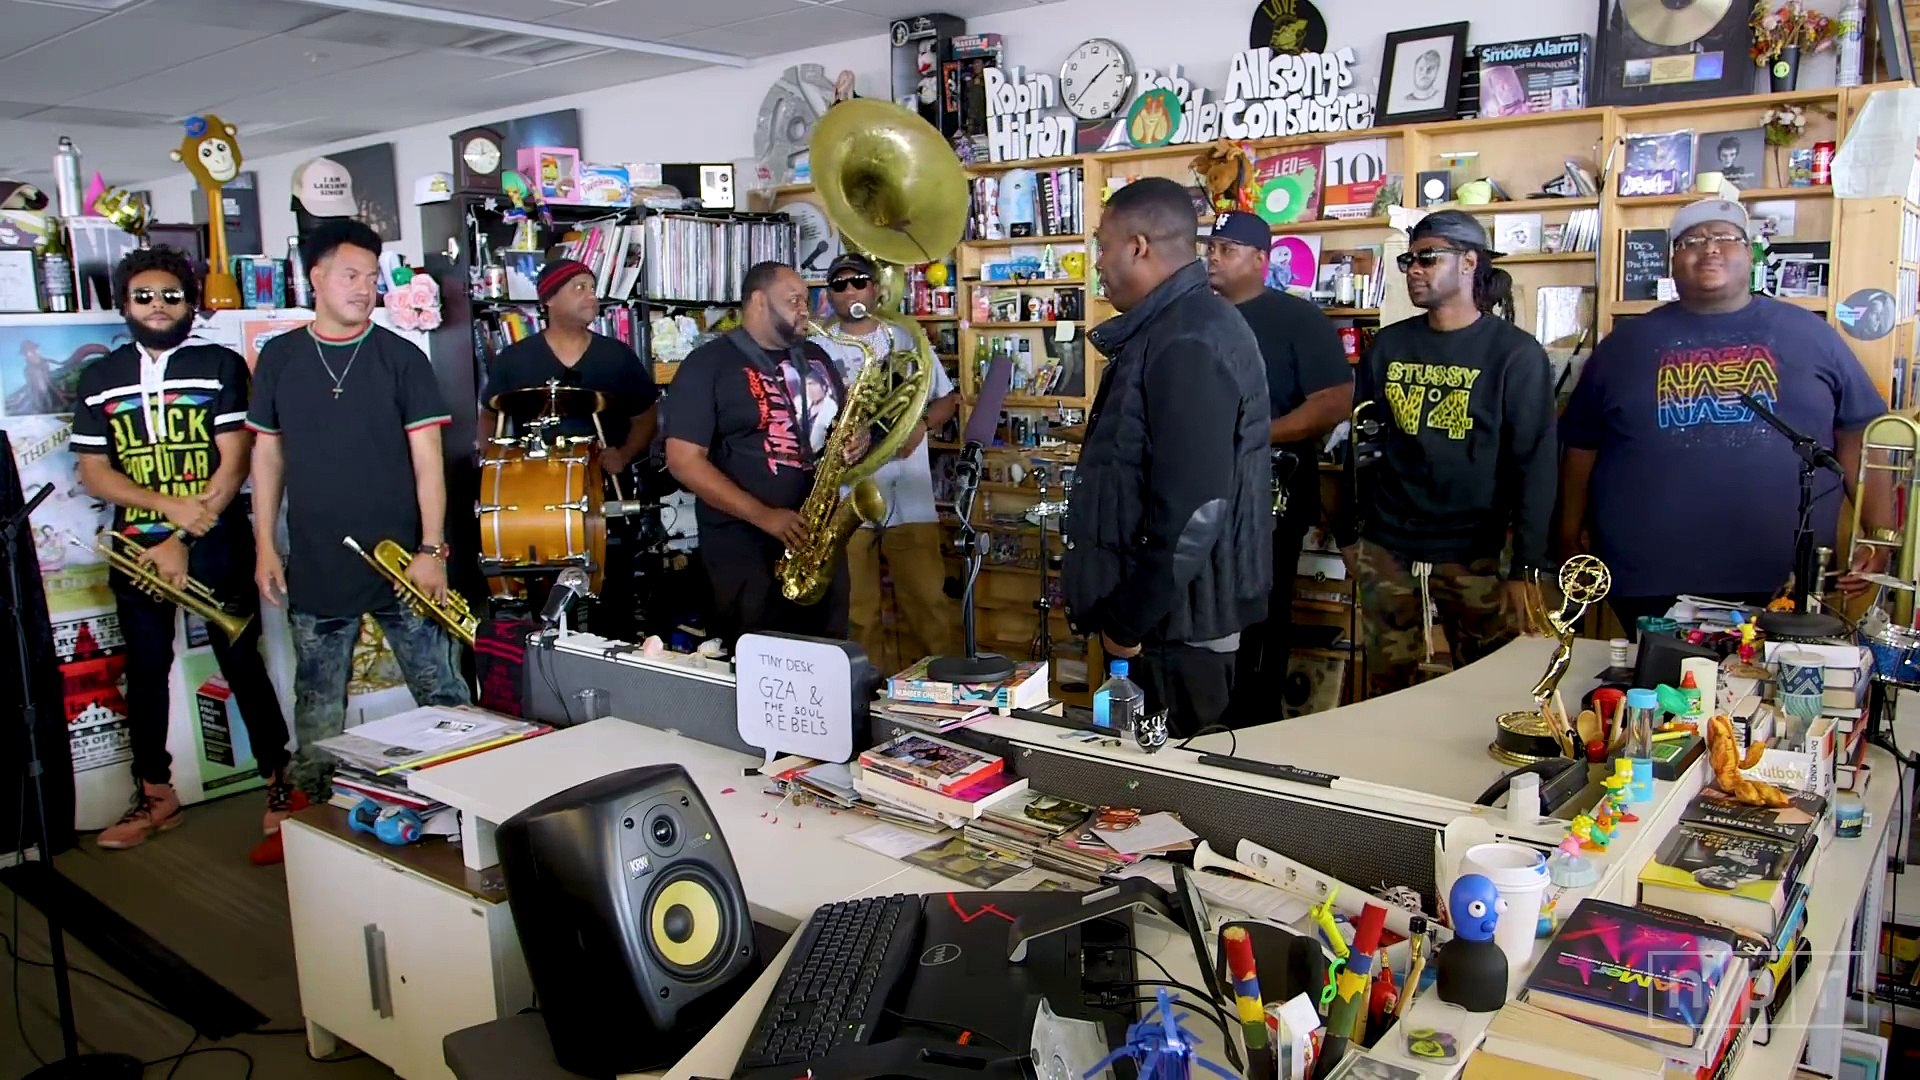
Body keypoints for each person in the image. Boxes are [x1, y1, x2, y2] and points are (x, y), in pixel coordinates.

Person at [1559, 199, 1888, 632]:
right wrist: (1567, 538)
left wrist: (1878, 534)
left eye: (1725, 238)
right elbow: (1580, 447)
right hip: (1649, 578)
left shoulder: (1810, 332)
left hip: (1786, 578)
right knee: (1661, 692)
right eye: (1692, 240)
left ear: (1749, 254)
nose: (1710, 248)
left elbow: (1859, 430)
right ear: (1672, 261)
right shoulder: (1624, 345)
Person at [71, 247, 294, 863]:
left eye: (171, 295)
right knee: (144, 672)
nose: (159, 306)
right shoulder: (99, 377)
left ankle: (280, 780)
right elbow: (94, 472)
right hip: (136, 547)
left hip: (216, 539)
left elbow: (235, 460)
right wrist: (166, 515)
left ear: (190, 302)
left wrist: (184, 537)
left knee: (241, 658)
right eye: (144, 296)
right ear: (123, 305)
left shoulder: (219, 363)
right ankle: (155, 794)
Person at [248, 219, 470, 823]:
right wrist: (265, 545)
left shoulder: (401, 358)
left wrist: (432, 549)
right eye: (351, 275)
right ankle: (314, 814)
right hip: (317, 560)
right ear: (316, 278)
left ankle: (470, 797)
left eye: (372, 278)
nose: (364, 288)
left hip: (405, 561)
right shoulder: (280, 358)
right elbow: (266, 457)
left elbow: (430, 464)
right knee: (317, 700)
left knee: (442, 689)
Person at [1065, 177, 1272, 737]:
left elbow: (1193, 511)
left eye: (1102, 246)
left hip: (1171, 630)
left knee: (1160, 798)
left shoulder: (1188, 339)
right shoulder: (1171, 327)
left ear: (1138, 246)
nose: (1098, 262)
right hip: (1156, 621)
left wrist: (1129, 620)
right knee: (1130, 786)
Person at [1346, 210, 1555, 697]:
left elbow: (1535, 463)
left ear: (1469, 262)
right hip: (1388, 547)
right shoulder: (1390, 346)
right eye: (1408, 260)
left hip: (1474, 552)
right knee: (1386, 689)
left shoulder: (1515, 354)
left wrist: (1528, 567)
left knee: (1487, 691)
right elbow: (1364, 442)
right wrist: (1352, 532)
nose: (1414, 269)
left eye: (1427, 257)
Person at [664, 261, 861, 649]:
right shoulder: (707, 365)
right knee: (758, 670)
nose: (806, 310)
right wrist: (765, 516)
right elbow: (683, 461)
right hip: (744, 552)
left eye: (806, 300)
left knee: (830, 660)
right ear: (757, 302)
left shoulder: (818, 358)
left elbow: (841, 427)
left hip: (817, 542)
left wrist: (858, 438)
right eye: (793, 301)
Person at [1205, 212, 1352, 725]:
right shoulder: (1194, 315)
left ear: (1261, 260)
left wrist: (1257, 435)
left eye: (1227, 249)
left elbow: (1334, 401)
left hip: (1273, 492)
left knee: (1263, 613)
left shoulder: (1299, 320)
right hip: (1199, 491)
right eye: (1211, 247)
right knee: (1199, 610)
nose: (1213, 257)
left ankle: (1255, 720)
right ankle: (1202, 718)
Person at [478, 258, 659, 637]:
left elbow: (646, 416)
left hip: (603, 497)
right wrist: (499, 462)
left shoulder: (617, 357)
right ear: (549, 300)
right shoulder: (515, 359)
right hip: (536, 505)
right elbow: (488, 418)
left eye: (592, 286)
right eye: (579, 287)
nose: (591, 294)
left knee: (614, 607)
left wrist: (623, 454)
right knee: (541, 610)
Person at [809, 253, 962, 674]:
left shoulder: (906, 338)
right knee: (857, 612)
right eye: (839, 284)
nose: (850, 290)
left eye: (859, 281)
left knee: (928, 603)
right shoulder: (816, 347)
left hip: (907, 491)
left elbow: (947, 400)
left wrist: (920, 426)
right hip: (846, 493)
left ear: (875, 289)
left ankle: (941, 695)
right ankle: (865, 695)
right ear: (829, 295)